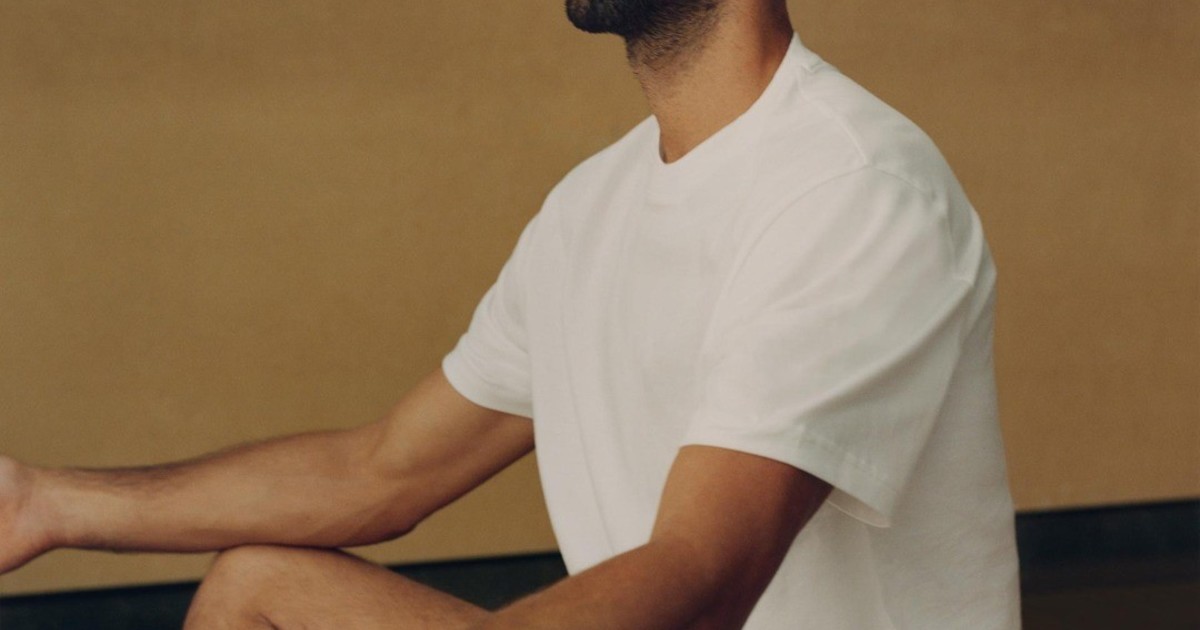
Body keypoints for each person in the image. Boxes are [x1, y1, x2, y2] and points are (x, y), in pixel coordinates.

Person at [0, 1, 1022, 628]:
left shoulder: (852, 189)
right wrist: (44, 504)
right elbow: (380, 471)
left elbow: (704, 579)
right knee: (257, 585)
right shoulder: (589, 208)